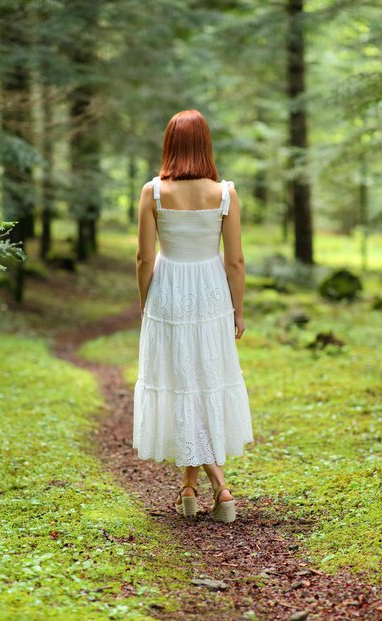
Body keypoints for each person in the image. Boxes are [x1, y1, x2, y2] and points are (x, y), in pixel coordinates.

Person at [133, 110, 253, 523]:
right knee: (200, 382)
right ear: (205, 144)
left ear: (170, 144)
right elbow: (235, 261)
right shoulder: (224, 194)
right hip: (210, 292)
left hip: (168, 290)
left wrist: (145, 303)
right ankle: (204, 486)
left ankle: (206, 487)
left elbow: (144, 259)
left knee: (183, 383)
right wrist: (238, 309)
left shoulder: (154, 192)